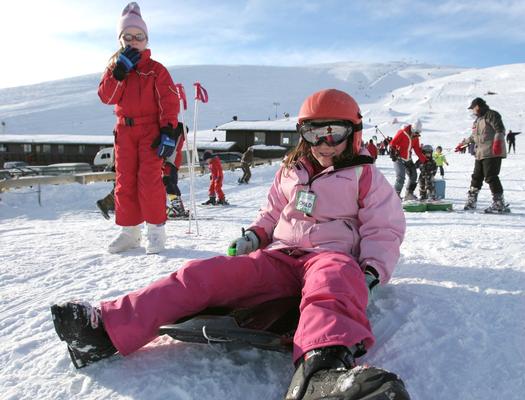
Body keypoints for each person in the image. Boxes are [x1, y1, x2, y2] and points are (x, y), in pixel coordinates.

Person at [49, 89, 410, 400]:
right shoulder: (291, 171)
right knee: (205, 274)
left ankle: (322, 373)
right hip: (281, 256)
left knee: (332, 285)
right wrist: (254, 235)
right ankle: (105, 330)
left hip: (332, 256)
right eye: (313, 133)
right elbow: (271, 215)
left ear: (354, 133)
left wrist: (371, 272)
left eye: (334, 133)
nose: (323, 144)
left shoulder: (366, 177)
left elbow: (384, 230)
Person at [97, 2, 179, 254]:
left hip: (150, 132)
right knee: (125, 182)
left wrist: (168, 132)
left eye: (139, 36)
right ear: (120, 40)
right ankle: (129, 232)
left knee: (149, 181)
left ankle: (156, 231)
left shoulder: (156, 70)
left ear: (146, 40)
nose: (134, 41)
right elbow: (107, 98)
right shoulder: (115, 69)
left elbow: (169, 102)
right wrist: (119, 72)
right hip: (124, 132)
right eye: (128, 36)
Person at [455, 97, 509, 213]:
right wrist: (463, 144)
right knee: (476, 177)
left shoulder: (492, 115)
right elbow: (474, 137)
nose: (472, 111)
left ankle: (499, 203)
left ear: (477, 107)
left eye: (473, 109)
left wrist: (497, 143)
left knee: (491, 176)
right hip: (480, 153)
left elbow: (500, 130)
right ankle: (471, 201)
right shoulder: (478, 120)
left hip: (492, 152)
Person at [389, 119, 428, 200]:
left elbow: (417, 149)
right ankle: (395, 196)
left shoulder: (415, 137)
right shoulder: (402, 132)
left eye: (418, 133)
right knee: (401, 177)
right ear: (413, 129)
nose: (417, 135)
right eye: (416, 133)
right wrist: (392, 151)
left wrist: (424, 160)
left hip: (408, 159)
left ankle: (409, 194)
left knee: (413, 175)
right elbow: (393, 143)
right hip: (398, 157)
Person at [163, 123, 189, 219]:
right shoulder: (179, 134)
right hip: (174, 161)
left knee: (169, 183)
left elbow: (172, 150)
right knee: (172, 183)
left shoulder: (177, 133)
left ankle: (177, 207)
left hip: (171, 161)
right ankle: (178, 206)